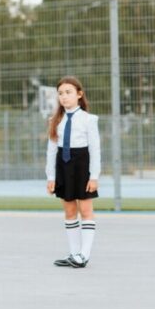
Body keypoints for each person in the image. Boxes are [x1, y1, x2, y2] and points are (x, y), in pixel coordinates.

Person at [46, 76, 101, 268]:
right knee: (69, 211)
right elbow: (52, 150)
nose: (64, 97)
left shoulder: (89, 119)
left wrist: (94, 176)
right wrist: (51, 177)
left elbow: (95, 149)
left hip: (81, 167)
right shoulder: (55, 121)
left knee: (85, 210)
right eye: (60, 93)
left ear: (79, 94)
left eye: (68, 92)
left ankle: (84, 256)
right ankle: (74, 253)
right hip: (63, 167)